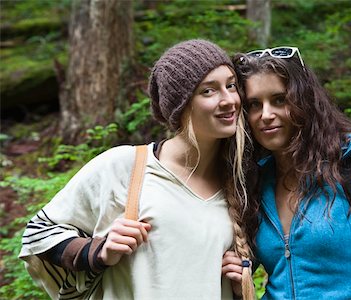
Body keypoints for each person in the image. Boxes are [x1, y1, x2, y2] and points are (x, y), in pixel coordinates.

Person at [19, 39, 254, 300]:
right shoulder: (125, 167)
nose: (229, 100)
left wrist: (237, 286)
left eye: (230, 85)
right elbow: (37, 234)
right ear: (181, 105)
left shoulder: (238, 183)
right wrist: (97, 252)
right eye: (208, 91)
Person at [222, 46, 351, 299]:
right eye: (255, 104)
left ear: (303, 101)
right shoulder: (256, 180)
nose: (266, 115)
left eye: (279, 99)